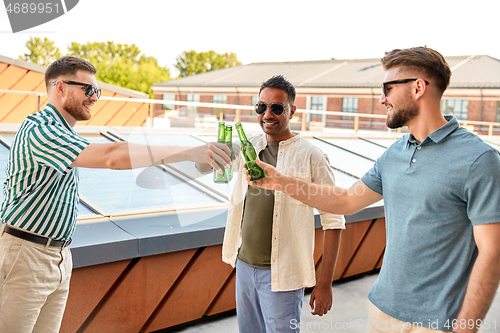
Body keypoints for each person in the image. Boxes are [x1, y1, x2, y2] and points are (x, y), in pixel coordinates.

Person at [248, 47, 500, 333]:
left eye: (388, 88)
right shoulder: (394, 154)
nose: (382, 99)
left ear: (418, 87)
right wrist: (279, 180)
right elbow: (344, 201)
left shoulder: (478, 159)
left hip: (438, 323)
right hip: (382, 311)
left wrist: (465, 329)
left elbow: (492, 252)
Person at [0, 56, 231, 333]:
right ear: (60, 88)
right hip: (25, 254)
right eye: (88, 89)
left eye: (96, 91)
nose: (95, 97)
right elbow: (112, 156)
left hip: (58, 254)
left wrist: (198, 159)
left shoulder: (66, 134)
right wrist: (189, 151)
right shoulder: (40, 129)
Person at [197, 75, 345, 332]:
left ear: (292, 111)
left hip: (284, 274)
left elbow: (334, 220)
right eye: (261, 107)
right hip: (243, 266)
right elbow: (203, 166)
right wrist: (209, 152)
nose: (268, 114)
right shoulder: (249, 146)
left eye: (277, 108)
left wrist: (325, 284)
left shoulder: (311, 156)